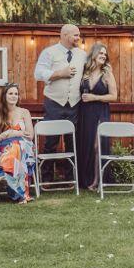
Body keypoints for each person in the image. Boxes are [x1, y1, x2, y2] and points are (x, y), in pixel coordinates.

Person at [32, 23, 86, 181]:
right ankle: (47, 179)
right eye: (75, 35)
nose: (78, 38)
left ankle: (71, 178)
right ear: (65, 35)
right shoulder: (49, 52)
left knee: (72, 141)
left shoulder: (82, 55)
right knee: (51, 140)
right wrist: (60, 73)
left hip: (75, 104)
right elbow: (38, 73)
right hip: (54, 103)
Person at [77, 42, 117, 190]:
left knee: (97, 145)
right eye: (100, 53)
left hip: (101, 112)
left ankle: (96, 180)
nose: (103, 56)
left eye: (105, 54)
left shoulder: (107, 74)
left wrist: (95, 97)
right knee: (86, 145)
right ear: (93, 55)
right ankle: (85, 179)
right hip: (84, 113)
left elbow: (114, 96)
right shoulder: (84, 72)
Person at [0, 83, 36, 202]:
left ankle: (3, 175)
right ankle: (21, 195)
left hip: (24, 145)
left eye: (16, 94)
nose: (14, 96)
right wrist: (8, 133)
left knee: (17, 147)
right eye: (10, 93)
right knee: (14, 149)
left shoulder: (25, 112)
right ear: (4, 96)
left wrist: (15, 134)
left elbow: (30, 135)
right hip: (3, 146)